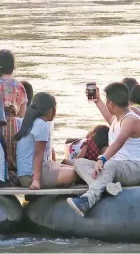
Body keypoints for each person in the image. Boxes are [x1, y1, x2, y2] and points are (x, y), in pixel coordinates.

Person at [67, 83, 140, 217]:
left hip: (134, 167)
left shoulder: (130, 120)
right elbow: (108, 117)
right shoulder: (118, 117)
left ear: (111, 103)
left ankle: (87, 200)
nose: (106, 104)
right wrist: (97, 100)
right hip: (117, 167)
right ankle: (106, 187)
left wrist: (102, 158)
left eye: (107, 101)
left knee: (109, 164)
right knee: (80, 163)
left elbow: (118, 143)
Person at [15, 92, 78, 189]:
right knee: (76, 174)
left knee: (73, 167)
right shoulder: (41, 125)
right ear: (51, 110)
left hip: (29, 172)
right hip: (30, 177)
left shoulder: (32, 122)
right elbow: (38, 154)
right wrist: (36, 180)